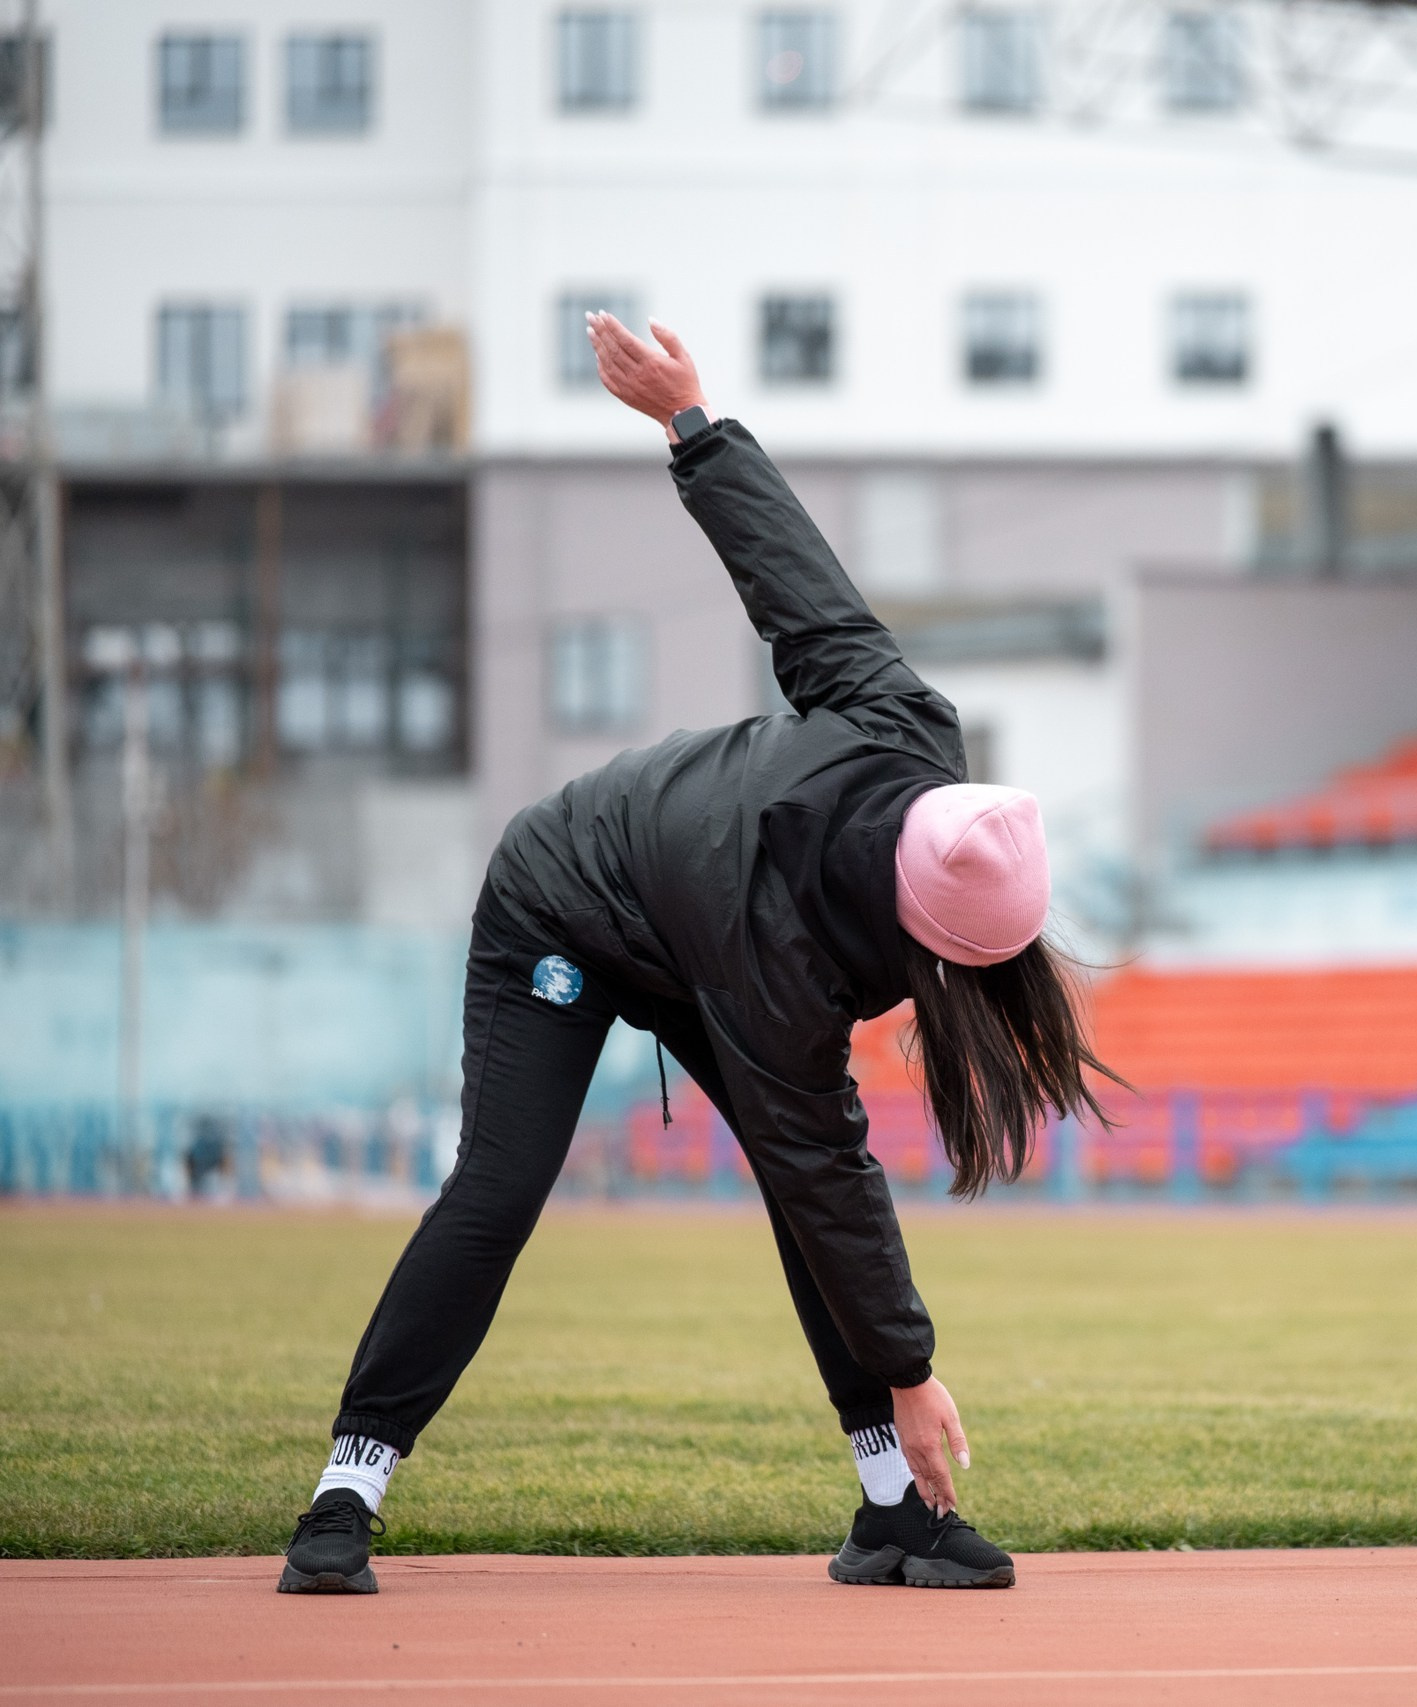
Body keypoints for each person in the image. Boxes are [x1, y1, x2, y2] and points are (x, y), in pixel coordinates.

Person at [279, 313, 1115, 1596]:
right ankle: (349, 1487)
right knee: (499, 1193)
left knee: (806, 1200)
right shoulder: (781, 948)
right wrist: (912, 1366)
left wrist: (692, 420)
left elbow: (789, 568)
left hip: (690, 932)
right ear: (929, 945)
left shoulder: (907, 726)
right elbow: (828, 1172)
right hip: (566, 905)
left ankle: (890, 1514)